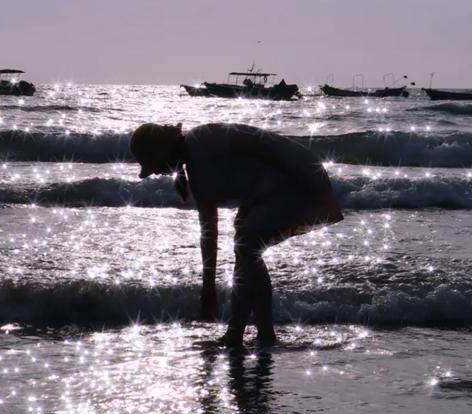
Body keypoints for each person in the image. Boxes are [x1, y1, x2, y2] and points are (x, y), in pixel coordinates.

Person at [130, 122, 343, 348]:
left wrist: (297, 173)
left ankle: (237, 334)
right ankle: (263, 334)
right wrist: (208, 287)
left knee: (247, 243)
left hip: (295, 173)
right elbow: (208, 231)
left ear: (165, 151)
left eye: (156, 165)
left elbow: (258, 143)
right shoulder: (195, 169)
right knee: (247, 244)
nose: (159, 173)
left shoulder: (203, 139)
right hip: (267, 191)